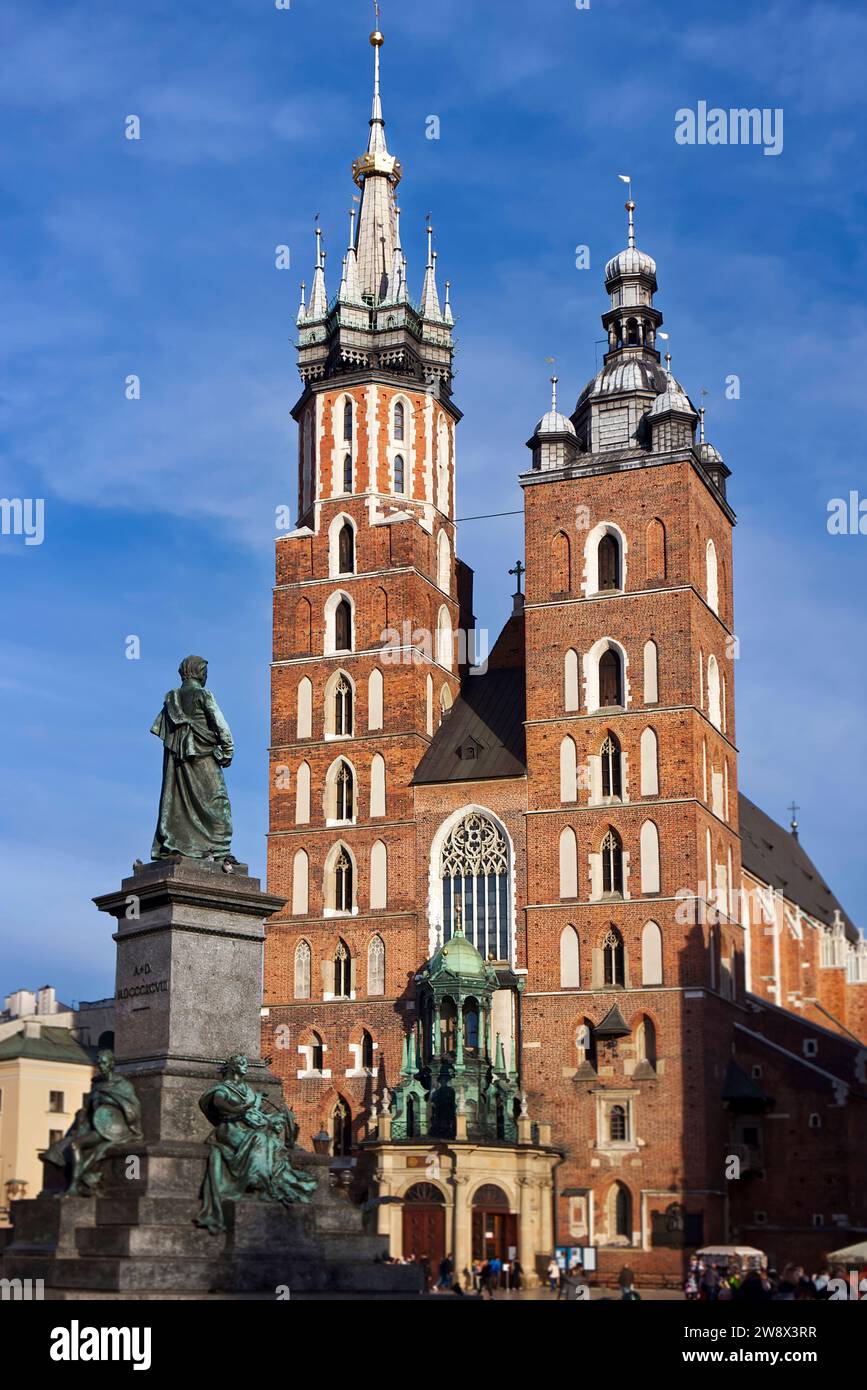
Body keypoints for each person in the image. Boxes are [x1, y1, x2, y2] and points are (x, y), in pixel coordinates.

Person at [195, 1053, 316, 1233]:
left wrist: (275, 1118)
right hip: (230, 1127)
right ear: (233, 1067)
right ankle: (256, 1182)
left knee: (273, 1143)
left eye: (245, 1063)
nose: (245, 1066)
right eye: (241, 1063)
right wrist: (240, 1109)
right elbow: (220, 1104)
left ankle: (268, 1182)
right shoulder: (223, 1089)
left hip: (246, 1126)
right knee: (258, 1139)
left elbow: (257, 1114)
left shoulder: (247, 1089)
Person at [150, 655, 234, 861]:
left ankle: (179, 844)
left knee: (178, 801)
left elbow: (164, 731)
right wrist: (228, 749)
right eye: (205, 672)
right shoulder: (203, 695)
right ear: (200, 672)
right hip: (203, 755)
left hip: (178, 761)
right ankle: (220, 851)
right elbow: (221, 725)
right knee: (217, 802)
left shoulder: (172, 699)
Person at [42, 1049, 143, 1196]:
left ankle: (74, 1186)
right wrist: (79, 1123)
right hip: (94, 1127)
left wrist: (110, 1100)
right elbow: (86, 1109)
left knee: (75, 1145)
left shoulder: (123, 1085)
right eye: (99, 1062)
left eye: (104, 1062)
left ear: (112, 1064)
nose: (101, 1065)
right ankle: (55, 1188)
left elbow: (133, 1109)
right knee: (55, 1151)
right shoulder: (97, 1085)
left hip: (113, 1130)